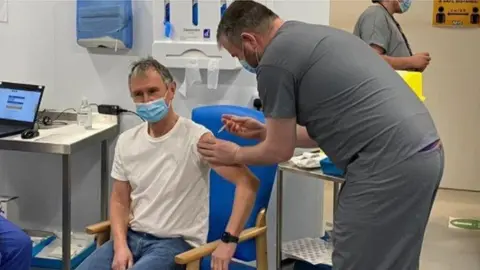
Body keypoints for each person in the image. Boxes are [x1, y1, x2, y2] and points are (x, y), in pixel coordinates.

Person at [197, 1, 444, 269]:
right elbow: (327, 128)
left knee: (356, 259)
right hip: (425, 152)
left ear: (249, 40)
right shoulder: (314, 36)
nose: (241, 61)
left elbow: (280, 151)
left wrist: (234, 152)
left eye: (237, 55)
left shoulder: (274, 61)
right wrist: (266, 131)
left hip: (387, 162)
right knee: (394, 260)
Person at [77, 57, 260, 270]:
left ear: (171, 90)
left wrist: (229, 241)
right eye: (138, 94)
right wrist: (119, 245)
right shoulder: (127, 141)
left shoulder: (197, 139)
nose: (146, 100)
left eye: (153, 91)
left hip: (176, 245)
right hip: (131, 237)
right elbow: (119, 200)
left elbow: (248, 184)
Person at [353, 0, 431, 72]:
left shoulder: (385, 17)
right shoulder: (375, 14)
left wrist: (413, 66)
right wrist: (411, 62)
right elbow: (373, 60)